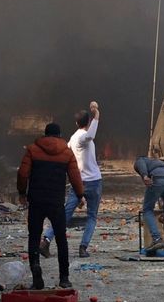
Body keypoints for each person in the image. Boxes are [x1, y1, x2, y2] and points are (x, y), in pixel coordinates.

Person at [17, 123, 84, 289]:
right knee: (61, 239)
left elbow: (23, 173)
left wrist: (22, 192)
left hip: (36, 200)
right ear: (60, 135)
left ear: (44, 134)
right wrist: (80, 195)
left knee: (34, 236)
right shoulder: (67, 152)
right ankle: (64, 278)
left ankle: (36, 272)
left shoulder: (33, 149)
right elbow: (75, 176)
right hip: (56, 201)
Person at [40, 102, 101, 259]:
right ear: (87, 122)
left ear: (76, 123)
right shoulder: (82, 138)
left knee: (65, 214)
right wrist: (97, 116)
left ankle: (46, 239)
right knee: (92, 216)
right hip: (93, 182)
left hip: (78, 182)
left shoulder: (72, 139)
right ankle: (83, 247)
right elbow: (91, 135)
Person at [134, 156, 164, 255]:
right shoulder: (162, 164)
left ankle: (157, 239)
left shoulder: (141, 160)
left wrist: (144, 176)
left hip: (158, 179)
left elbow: (140, 164)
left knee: (147, 209)